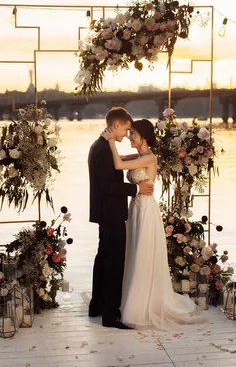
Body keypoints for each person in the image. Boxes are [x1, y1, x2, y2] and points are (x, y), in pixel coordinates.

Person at [101, 118, 206, 330]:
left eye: (133, 135)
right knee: (134, 251)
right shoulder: (139, 156)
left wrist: (111, 140)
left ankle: (140, 305)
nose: (130, 137)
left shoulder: (149, 158)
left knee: (143, 253)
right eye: (129, 134)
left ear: (144, 137)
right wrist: (107, 146)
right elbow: (120, 159)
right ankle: (128, 299)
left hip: (146, 209)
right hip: (136, 208)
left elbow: (118, 165)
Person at [87, 107, 154, 329]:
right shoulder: (104, 149)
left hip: (106, 212)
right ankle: (110, 315)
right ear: (116, 125)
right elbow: (107, 185)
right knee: (114, 263)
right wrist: (136, 190)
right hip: (111, 213)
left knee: (103, 259)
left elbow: (122, 165)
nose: (126, 134)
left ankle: (97, 306)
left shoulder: (101, 146)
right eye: (126, 129)